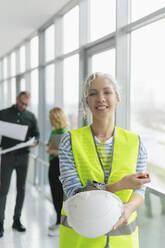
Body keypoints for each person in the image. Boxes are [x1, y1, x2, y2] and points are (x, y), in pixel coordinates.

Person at [58, 72, 151, 248]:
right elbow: (75, 193)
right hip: (80, 240)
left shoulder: (136, 142)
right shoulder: (70, 141)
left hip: (123, 240)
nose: (100, 98)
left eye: (107, 92)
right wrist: (120, 185)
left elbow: (140, 192)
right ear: (87, 101)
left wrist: (128, 208)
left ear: (117, 98)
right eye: (93, 93)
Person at [0, 91, 39, 238]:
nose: (23, 106)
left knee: (21, 189)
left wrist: (34, 141)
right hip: (7, 157)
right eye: (22, 103)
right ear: (17, 99)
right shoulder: (3, 114)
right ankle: (0, 223)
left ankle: (16, 220)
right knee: (3, 190)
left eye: (26, 104)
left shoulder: (30, 117)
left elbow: (37, 135)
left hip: (23, 157)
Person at [47, 107, 69, 236]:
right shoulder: (54, 131)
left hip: (59, 166)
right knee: (54, 194)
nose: (49, 120)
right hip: (53, 164)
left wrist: (54, 151)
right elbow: (50, 146)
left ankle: (62, 225)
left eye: (51, 117)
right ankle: (57, 221)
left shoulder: (65, 133)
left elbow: (65, 153)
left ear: (56, 118)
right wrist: (52, 149)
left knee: (60, 195)